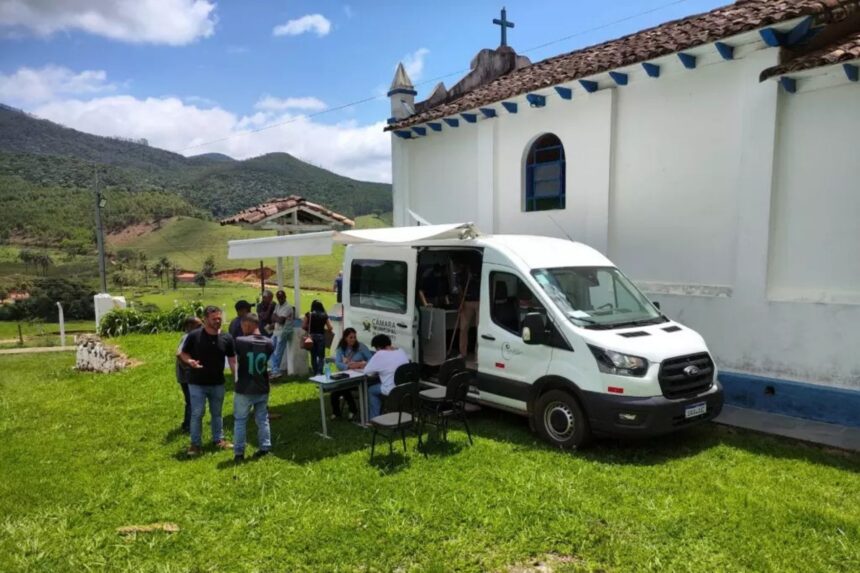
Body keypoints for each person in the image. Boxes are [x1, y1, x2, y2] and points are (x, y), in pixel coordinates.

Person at [179, 305, 237, 456]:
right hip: (197, 383)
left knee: (217, 413)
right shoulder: (194, 336)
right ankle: (195, 444)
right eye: (214, 319)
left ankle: (219, 440)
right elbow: (183, 354)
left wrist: (237, 377)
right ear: (205, 319)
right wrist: (190, 361)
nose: (218, 321)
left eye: (219, 318)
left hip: (217, 382)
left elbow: (232, 360)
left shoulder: (226, 338)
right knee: (197, 413)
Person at [232, 313, 274, 461]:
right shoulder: (269, 342)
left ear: (248, 325)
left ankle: (239, 452)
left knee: (240, 420)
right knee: (262, 419)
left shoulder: (240, 341)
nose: (242, 329)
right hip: (262, 385)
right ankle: (265, 447)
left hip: (244, 387)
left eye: (243, 326)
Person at [330, 327, 374, 420]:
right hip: (346, 376)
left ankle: (352, 410)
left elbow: (371, 359)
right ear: (345, 338)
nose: (353, 339)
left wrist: (362, 364)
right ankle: (337, 412)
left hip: (359, 378)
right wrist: (349, 367)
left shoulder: (361, 347)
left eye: (354, 337)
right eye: (351, 337)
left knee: (344, 388)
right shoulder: (341, 349)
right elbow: (338, 363)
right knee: (335, 393)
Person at [364, 334, 410, 419]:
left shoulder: (380, 354)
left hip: (392, 389)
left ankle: (375, 419)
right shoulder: (401, 351)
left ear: (377, 347)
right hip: (407, 387)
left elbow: (367, 372)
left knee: (371, 390)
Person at [174, 316, 202, 433]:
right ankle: (188, 426)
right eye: (198, 326)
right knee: (191, 401)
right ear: (189, 327)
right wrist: (188, 367)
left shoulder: (190, 336)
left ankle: (188, 424)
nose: (201, 328)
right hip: (187, 376)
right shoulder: (187, 337)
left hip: (186, 375)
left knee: (191, 400)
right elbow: (179, 354)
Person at [455, 260, 481, 358]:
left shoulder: (480, 272)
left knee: (480, 328)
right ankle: (463, 353)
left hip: (480, 301)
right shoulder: (460, 275)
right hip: (466, 302)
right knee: (463, 328)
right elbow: (460, 290)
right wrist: (461, 302)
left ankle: (478, 353)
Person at [302, 299, 334, 376]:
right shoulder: (324, 315)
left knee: (313, 355)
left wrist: (309, 329)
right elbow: (330, 327)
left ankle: (315, 371)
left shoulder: (308, 314)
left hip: (311, 337)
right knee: (321, 356)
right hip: (321, 337)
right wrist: (323, 329)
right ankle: (319, 372)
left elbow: (303, 326)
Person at [270, 290, 294, 378]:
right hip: (276, 331)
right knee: (269, 349)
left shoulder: (288, 307)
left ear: (285, 297)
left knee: (279, 352)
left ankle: (275, 370)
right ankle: (275, 369)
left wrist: (277, 318)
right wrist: (277, 318)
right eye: (278, 297)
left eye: (281, 297)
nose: (280, 299)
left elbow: (281, 321)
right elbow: (272, 318)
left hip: (284, 332)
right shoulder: (277, 305)